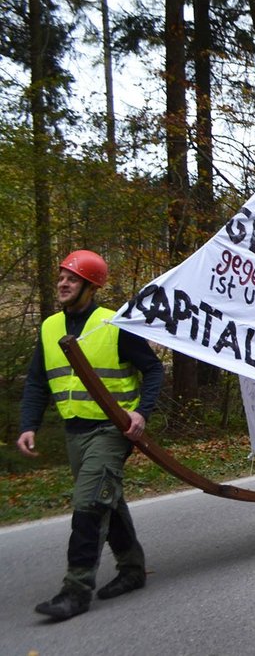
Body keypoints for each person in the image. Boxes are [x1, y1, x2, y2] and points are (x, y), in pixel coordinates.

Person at [16, 250, 163, 621]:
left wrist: (140, 414)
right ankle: (131, 570)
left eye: (73, 278)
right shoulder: (50, 327)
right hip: (74, 432)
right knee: (107, 499)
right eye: (62, 277)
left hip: (112, 431)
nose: (63, 283)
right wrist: (28, 425)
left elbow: (154, 370)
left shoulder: (113, 324)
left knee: (89, 505)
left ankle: (76, 590)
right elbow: (37, 381)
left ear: (91, 286)